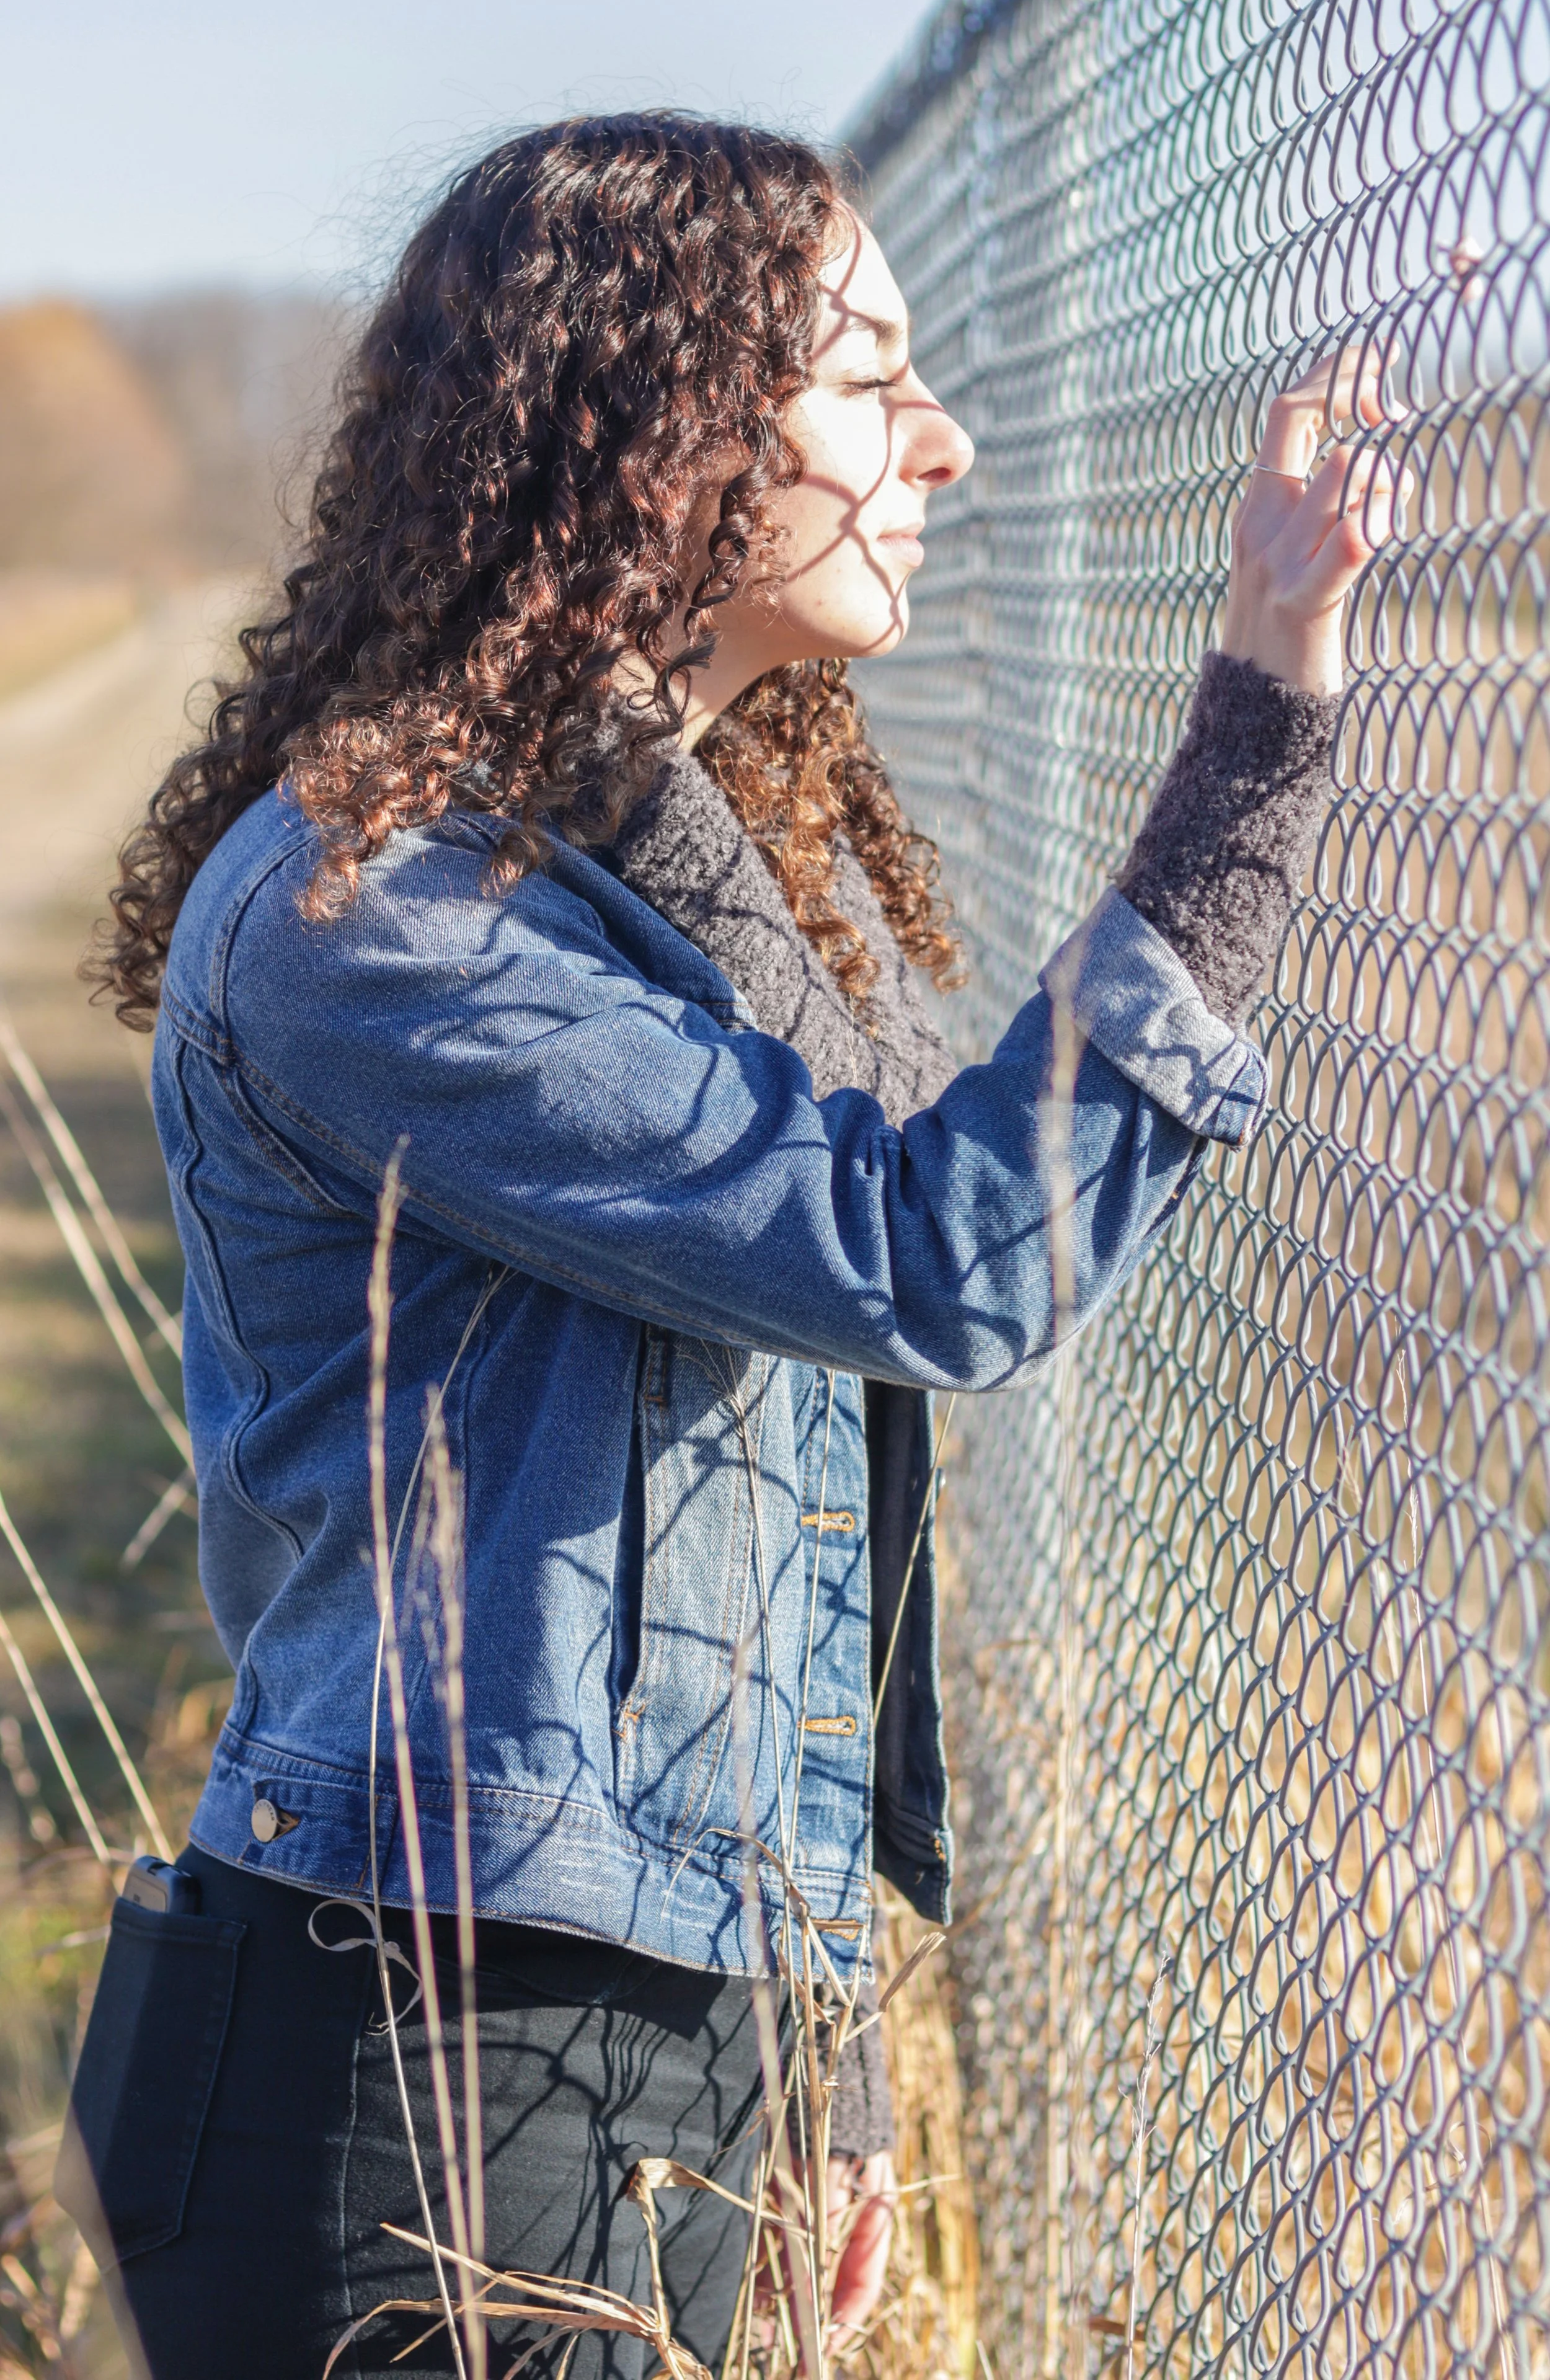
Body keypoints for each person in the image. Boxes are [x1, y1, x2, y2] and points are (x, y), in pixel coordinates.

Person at [62, 115, 1399, 2379]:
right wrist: (1254, 734)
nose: (943, 442)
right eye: (866, 373)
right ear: (659, 419)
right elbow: (933, 1254)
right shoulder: (382, 916)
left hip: (624, 2033)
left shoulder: (664, 901)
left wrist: (816, 2049)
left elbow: (771, 1532)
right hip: (421, 2071)